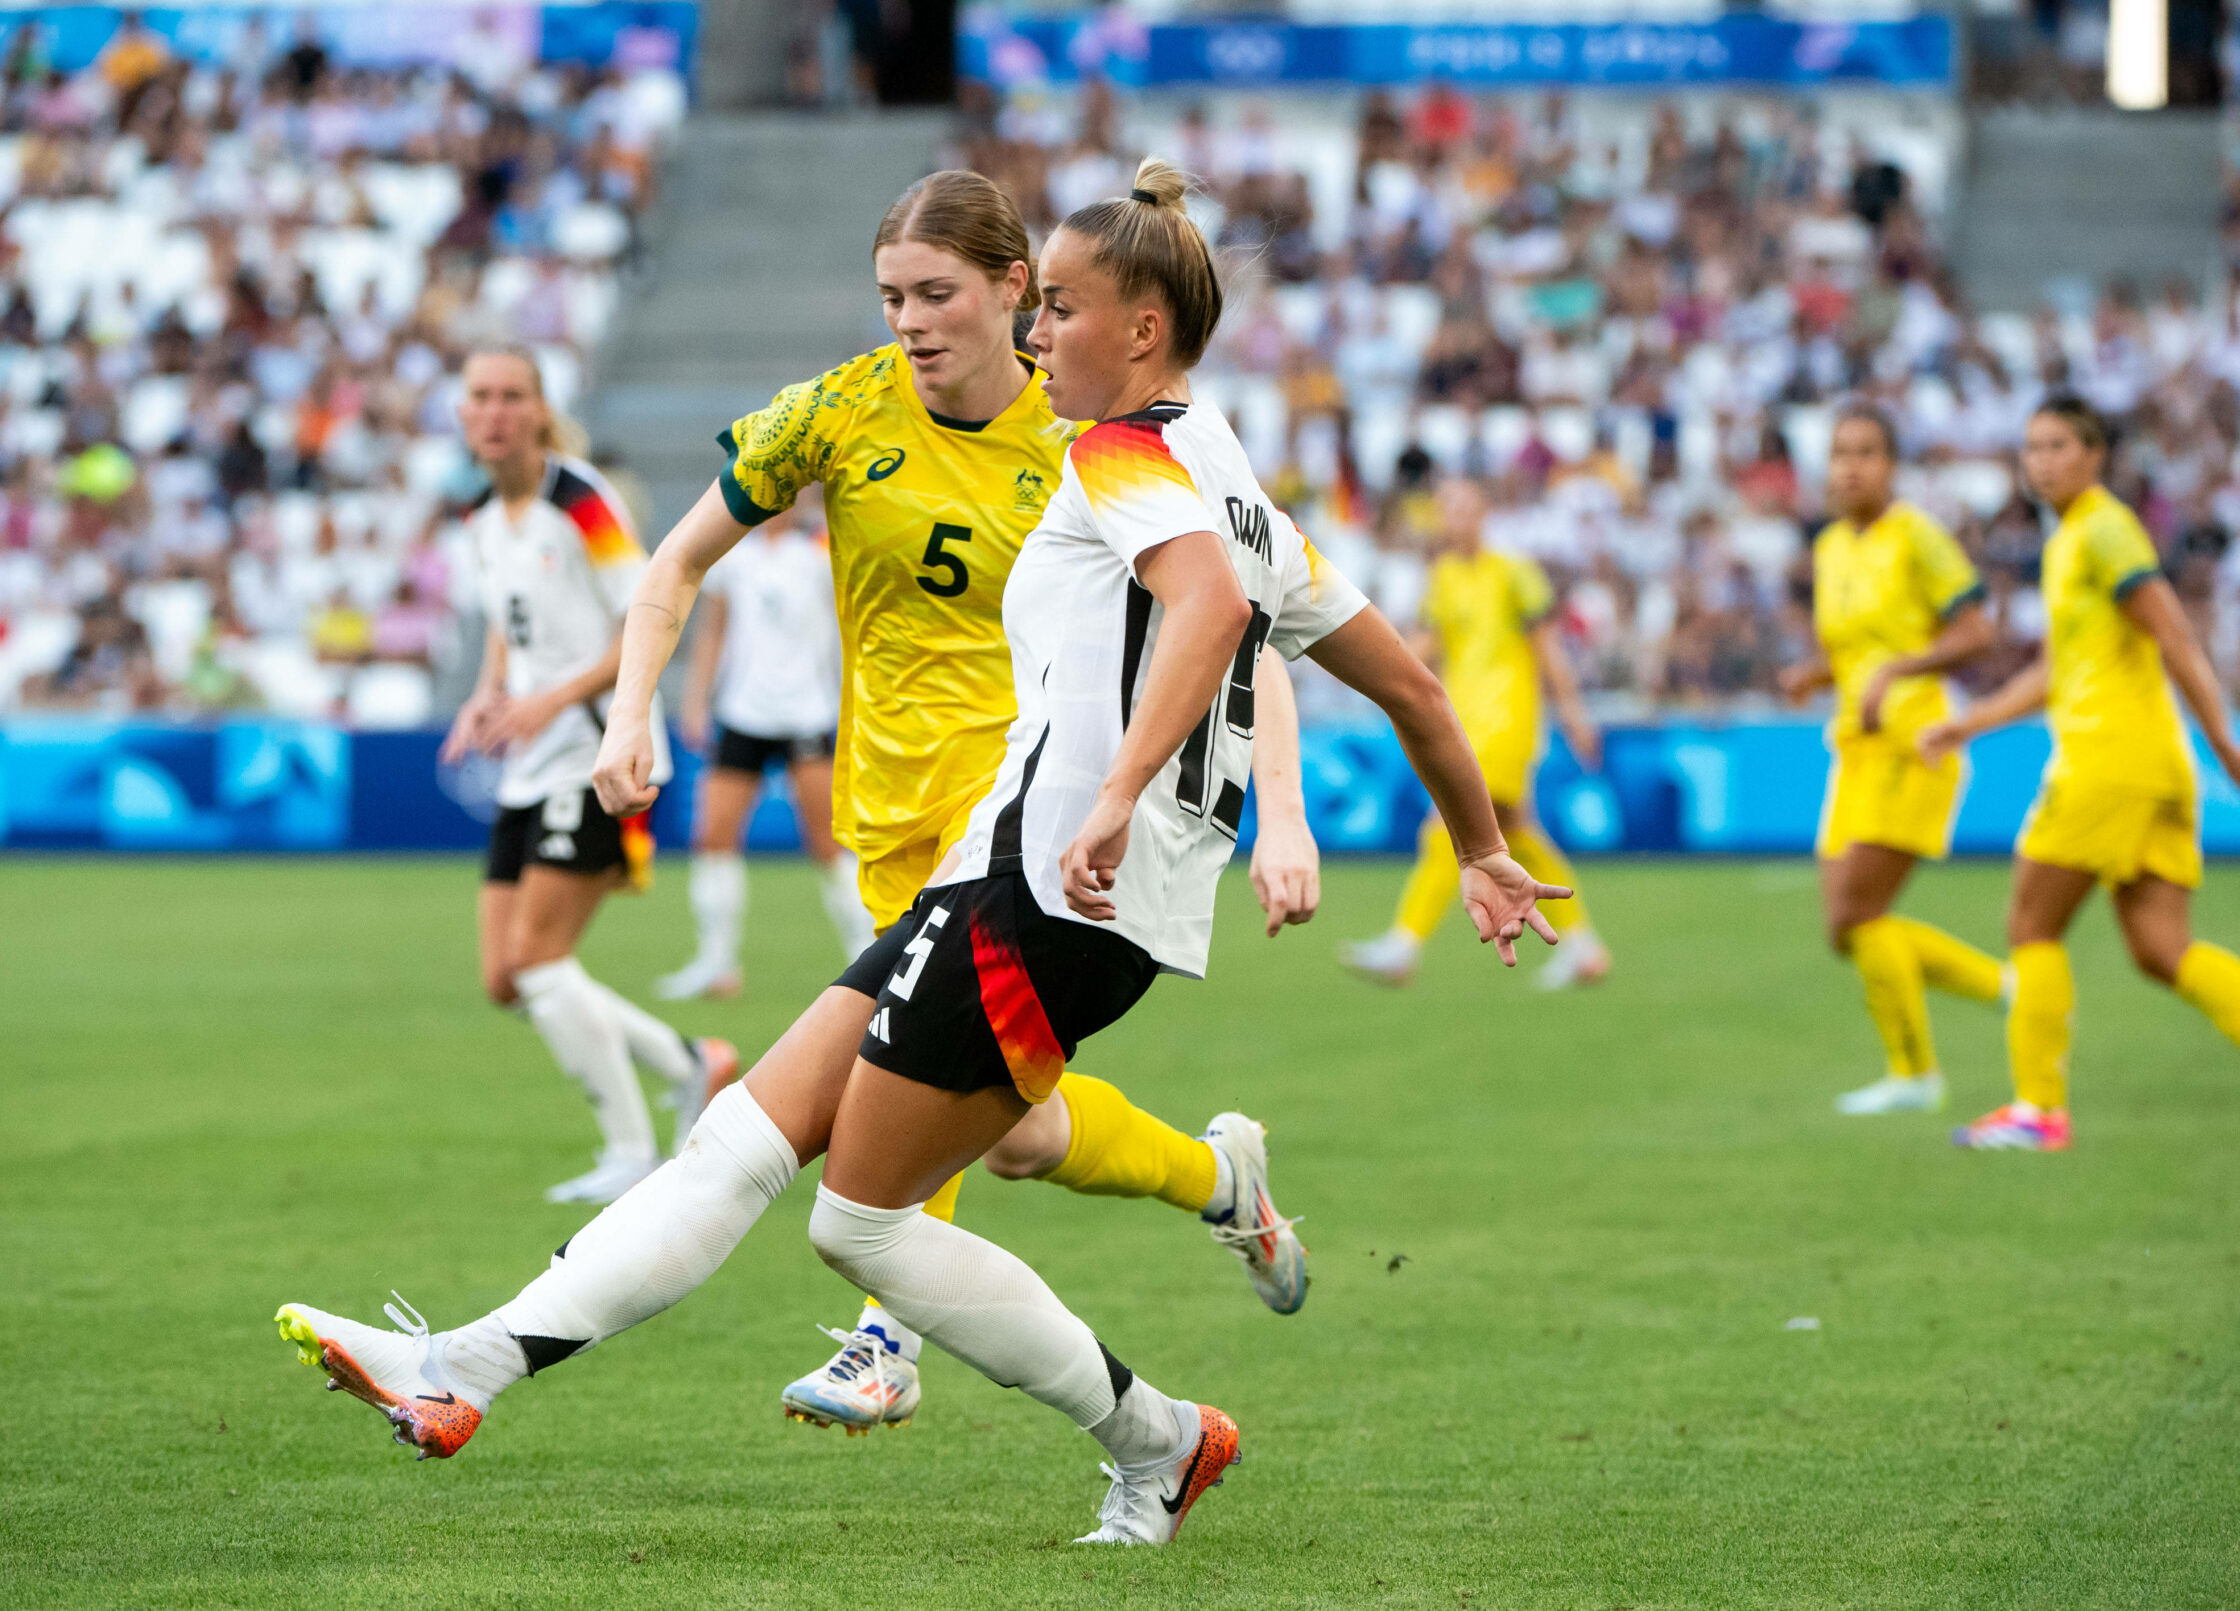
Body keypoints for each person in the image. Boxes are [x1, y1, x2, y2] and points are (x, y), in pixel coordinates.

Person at [274, 160, 1562, 1547]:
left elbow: (1200, 612)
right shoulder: (1233, 479)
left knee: (862, 1222)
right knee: (746, 1141)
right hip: (1007, 878)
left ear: (1138, 328)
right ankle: (461, 1363)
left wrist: (1121, 790)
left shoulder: (1116, 452)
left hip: (1042, 890)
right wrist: (1478, 840)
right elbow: (1414, 689)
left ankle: (1161, 1437)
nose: (1039, 336)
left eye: (1057, 309)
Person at [671, 168, 1318, 1433]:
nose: (909, 320)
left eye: (934, 293)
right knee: (1015, 1138)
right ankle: (1219, 1180)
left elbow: (1237, 618)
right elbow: (682, 556)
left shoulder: (1103, 440)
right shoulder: (853, 418)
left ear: (1016, 291)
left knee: (889, 1090)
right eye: (891, 296)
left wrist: (1279, 813)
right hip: (892, 804)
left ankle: (882, 1340)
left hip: (1022, 818)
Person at [441, 346, 737, 1203]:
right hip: (531, 763)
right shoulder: (479, 517)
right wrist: (489, 693)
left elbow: (643, 620)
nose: (494, 412)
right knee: (507, 976)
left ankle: (631, 1149)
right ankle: (695, 1062)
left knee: (539, 959)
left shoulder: (583, 503)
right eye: (479, 397)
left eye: (510, 396)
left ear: (539, 410)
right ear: (463, 415)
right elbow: (508, 623)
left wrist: (551, 700)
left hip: (598, 755)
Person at [1919, 395, 2240, 1149]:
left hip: (2106, 759)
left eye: (2059, 445)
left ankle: (2037, 1109)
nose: (2042, 461)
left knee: (2032, 921)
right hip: (2156, 767)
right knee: (2164, 951)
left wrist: (2225, 739)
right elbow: (2060, 671)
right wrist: (1972, 721)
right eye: (2032, 447)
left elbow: (2174, 633)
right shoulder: (2069, 542)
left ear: (2095, 455)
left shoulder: (2103, 529)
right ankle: (2036, 1109)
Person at [1777, 405, 2006, 1115]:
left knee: (1858, 910)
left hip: (1916, 741)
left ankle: (1916, 1072)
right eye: (1840, 452)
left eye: (1866, 452)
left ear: (1891, 464)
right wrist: (1815, 676)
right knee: (1845, 928)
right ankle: (2001, 990)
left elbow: (1976, 631)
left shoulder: (1918, 537)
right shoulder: (1830, 548)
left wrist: (1896, 672)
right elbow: (1853, 648)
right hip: (1854, 745)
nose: (1849, 465)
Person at [1337, 478, 1608, 991]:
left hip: (1506, 721)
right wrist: (1356, 666)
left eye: (1463, 507)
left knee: (1446, 828)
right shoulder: (1443, 577)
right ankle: (1583, 946)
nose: (1454, 518)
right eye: (1445, 509)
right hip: (1463, 723)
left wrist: (1574, 715)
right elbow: (1421, 645)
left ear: (1484, 512)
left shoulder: (1515, 573)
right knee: (1516, 836)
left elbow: (1548, 649)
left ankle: (1405, 944)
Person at [657, 488, 875, 1000]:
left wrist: (854, 703)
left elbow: (852, 631)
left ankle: (866, 961)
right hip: (742, 713)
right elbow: (713, 631)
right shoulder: (735, 554)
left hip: (807, 713)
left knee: (827, 842)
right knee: (713, 835)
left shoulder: (823, 551)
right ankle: (716, 963)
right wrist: (696, 700)